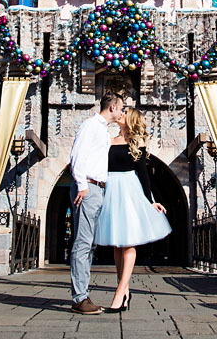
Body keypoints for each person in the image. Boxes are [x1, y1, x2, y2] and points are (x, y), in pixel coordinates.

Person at [94, 107, 172, 313]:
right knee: (117, 245)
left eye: (125, 111)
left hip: (129, 191)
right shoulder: (109, 141)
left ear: (131, 119)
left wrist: (151, 201)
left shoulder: (137, 143)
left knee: (128, 243)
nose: (120, 112)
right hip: (110, 190)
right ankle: (125, 290)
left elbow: (144, 175)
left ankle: (119, 294)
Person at [68, 92, 123, 314]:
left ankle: (82, 294)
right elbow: (77, 155)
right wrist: (82, 184)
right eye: (121, 107)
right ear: (112, 107)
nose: (122, 112)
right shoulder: (91, 125)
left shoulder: (102, 130)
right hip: (88, 187)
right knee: (83, 242)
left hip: (96, 188)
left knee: (89, 243)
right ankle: (80, 298)